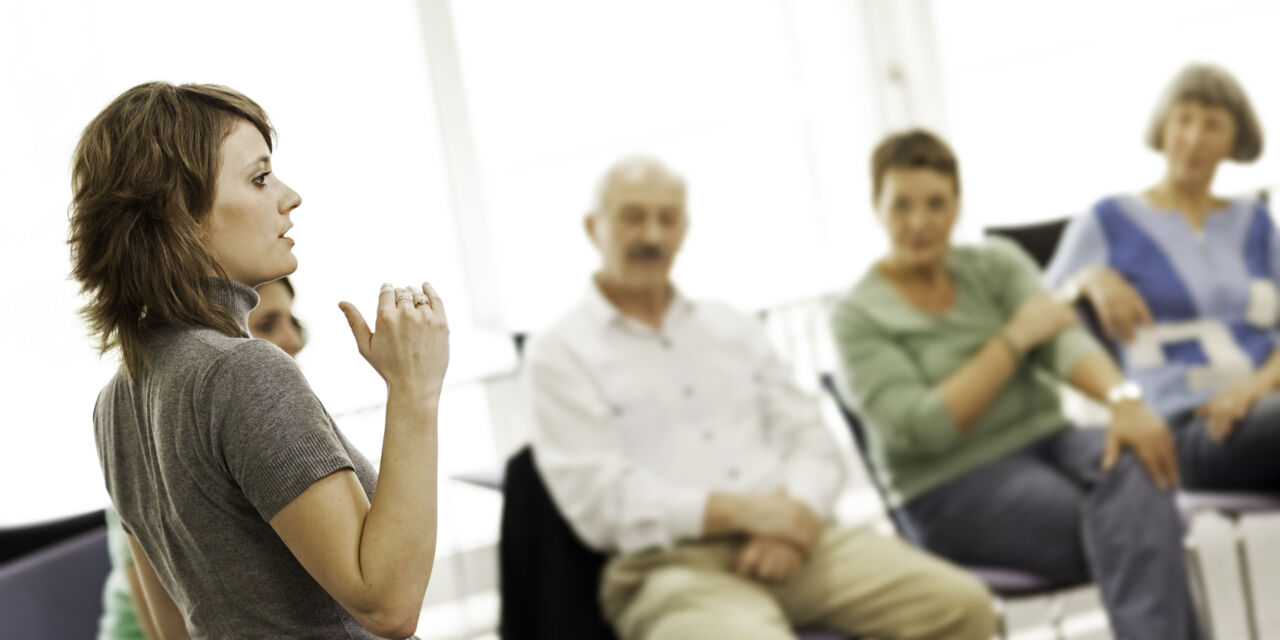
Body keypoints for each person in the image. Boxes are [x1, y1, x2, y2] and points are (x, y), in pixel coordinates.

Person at [524, 156, 996, 640]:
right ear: (592, 227)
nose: (653, 235)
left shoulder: (731, 326)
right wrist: (739, 512)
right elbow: (602, 499)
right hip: (673, 570)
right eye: (633, 217)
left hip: (804, 539)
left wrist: (793, 521)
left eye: (667, 219)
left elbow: (810, 437)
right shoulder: (559, 353)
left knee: (963, 607)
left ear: (684, 229)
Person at [70, 82, 449, 639]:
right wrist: (414, 387)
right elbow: (388, 604)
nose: (289, 196)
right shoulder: (242, 373)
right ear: (180, 213)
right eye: (259, 178)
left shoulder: (115, 404)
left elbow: (172, 633)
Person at [831, 130, 1205, 639]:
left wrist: (1125, 400)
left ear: (957, 205)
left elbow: (1063, 341)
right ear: (877, 207)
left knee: (1140, 460)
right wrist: (1012, 338)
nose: (919, 222)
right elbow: (924, 427)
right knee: (1136, 524)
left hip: (1051, 440)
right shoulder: (857, 315)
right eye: (901, 206)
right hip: (949, 484)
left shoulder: (995, 263)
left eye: (936, 204)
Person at [1045, 63, 1280, 491]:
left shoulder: (1257, 222)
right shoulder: (1109, 220)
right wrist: (1087, 278)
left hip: (1264, 404)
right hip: (1188, 424)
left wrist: (1256, 387)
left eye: (1212, 125)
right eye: (1183, 119)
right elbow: (1037, 312)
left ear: (1234, 139)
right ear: (1162, 126)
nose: (1193, 138)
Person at [97, 277, 306, 640]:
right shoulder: (145, 440)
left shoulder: (270, 425)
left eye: (295, 322)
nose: (293, 340)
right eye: (267, 324)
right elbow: (166, 631)